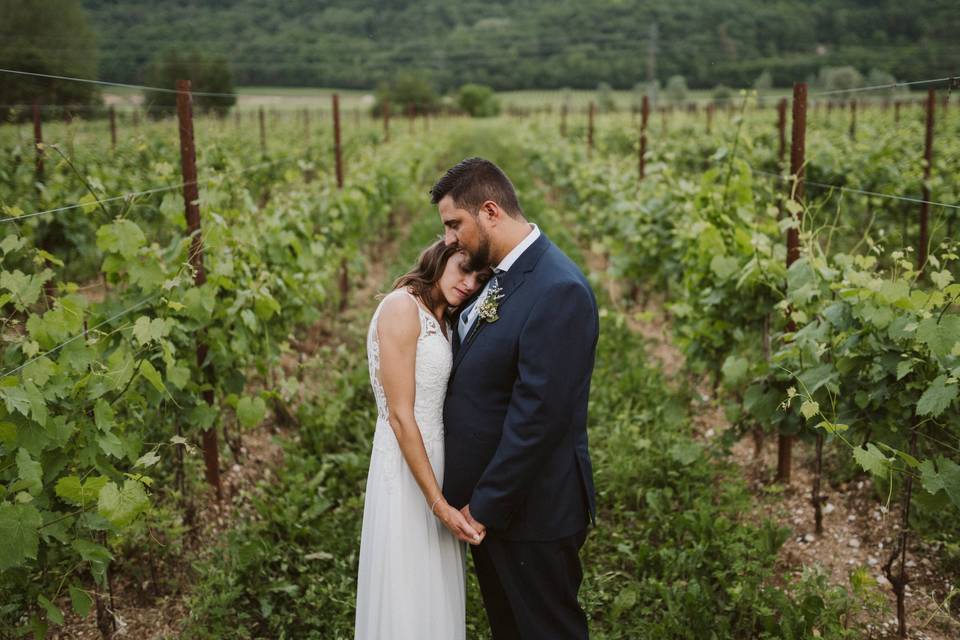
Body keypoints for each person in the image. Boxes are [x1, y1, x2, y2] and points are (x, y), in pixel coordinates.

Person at [434, 157, 599, 640]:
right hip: (500, 509)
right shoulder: (505, 274)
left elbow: (539, 420)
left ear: (489, 211)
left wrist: (482, 507)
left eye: (453, 225)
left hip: (531, 511)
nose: (448, 241)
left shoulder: (558, 289)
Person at [354, 241, 491, 639]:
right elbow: (400, 416)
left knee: (434, 587)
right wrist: (437, 502)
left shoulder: (444, 316)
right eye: (463, 269)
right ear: (443, 253)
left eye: (479, 279)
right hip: (408, 464)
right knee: (407, 587)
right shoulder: (402, 307)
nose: (468, 283)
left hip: (438, 462)